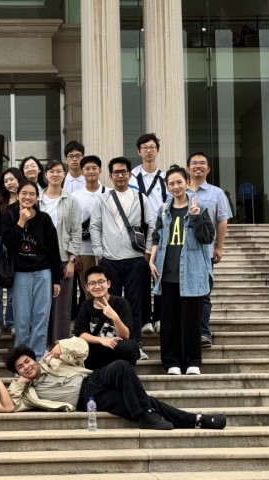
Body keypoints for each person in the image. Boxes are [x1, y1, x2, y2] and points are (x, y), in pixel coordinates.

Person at [5, 338, 227, 431]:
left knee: (121, 366)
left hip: (93, 379)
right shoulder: (28, 393)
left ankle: (146, 415)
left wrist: (62, 345)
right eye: (20, 367)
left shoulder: (51, 361)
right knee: (145, 402)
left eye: (27, 361)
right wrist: (18, 383)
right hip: (88, 401)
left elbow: (82, 347)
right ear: (18, 373)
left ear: (33, 359)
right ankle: (197, 420)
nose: (26, 367)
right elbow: (10, 405)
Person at [149, 167, 215, 375]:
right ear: (167, 187)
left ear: (187, 182)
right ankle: (171, 363)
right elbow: (157, 237)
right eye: (171, 183)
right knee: (169, 322)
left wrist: (196, 217)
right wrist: (151, 261)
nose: (176, 187)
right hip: (167, 274)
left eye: (179, 182)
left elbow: (207, 238)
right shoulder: (163, 210)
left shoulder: (200, 208)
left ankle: (192, 361)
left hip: (192, 274)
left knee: (190, 322)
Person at [89, 157, 155, 360]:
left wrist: (147, 253)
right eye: (116, 172)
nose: (120, 175)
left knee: (135, 304)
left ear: (130, 174)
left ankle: (136, 345)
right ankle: (115, 346)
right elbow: (95, 226)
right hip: (110, 259)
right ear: (110, 175)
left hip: (135, 259)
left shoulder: (140, 198)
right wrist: (99, 252)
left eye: (124, 171)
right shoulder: (102, 199)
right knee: (111, 304)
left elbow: (152, 225)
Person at [1, 181, 63, 358]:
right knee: (22, 318)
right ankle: (21, 355)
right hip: (20, 273)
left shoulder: (44, 219)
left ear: (37, 197)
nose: (27, 197)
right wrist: (21, 221)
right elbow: (9, 243)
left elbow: (53, 250)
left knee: (41, 316)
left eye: (32, 194)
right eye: (24, 193)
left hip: (43, 273)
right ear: (18, 195)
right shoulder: (10, 215)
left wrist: (56, 279)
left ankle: (37, 355)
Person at [186, 152, 233, 348]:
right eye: (194, 163)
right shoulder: (178, 191)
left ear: (208, 169)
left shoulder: (217, 193)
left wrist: (219, 247)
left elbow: (222, 221)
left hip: (205, 252)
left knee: (204, 294)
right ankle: (186, 332)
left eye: (202, 163)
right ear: (188, 168)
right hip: (182, 253)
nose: (198, 166)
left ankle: (203, 332)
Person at [40, 160, 81, 344]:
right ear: (46, 175)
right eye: (51, 171)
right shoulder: (37, 200)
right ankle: (42, 344)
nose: (55, 174)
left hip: (64, 258)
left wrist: (72, 260)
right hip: (40, 260)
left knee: (62, 306)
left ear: (64, 174)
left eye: (59, 171)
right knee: (42, 304)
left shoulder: (71, 200)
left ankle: (60, 345)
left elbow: (76, 231)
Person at [131, 134, 168, 336]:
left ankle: (160, 317)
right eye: (145, 147)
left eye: (152, 147)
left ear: (158, 150)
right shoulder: (132, 177)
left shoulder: (165, 177)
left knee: (160, 274)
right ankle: (145, 319)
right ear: (139, 151)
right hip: (140, 233)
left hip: (162, 231)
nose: (148, 151)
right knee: (141, 276)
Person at [74, 265, 138, 369]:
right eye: (92, 283)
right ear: (87, 287)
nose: (97, 286)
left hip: (117, 348)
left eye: (101, 282)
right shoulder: (86, 305)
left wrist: (115, 317)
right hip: (97, 351)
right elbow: (80, 333)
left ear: (108, 284)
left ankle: (125, 372)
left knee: (128, 346)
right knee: (82, 348)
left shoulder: (121, 303)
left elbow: (126, 335)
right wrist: (101, 340)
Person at [0, 167, 27, 337]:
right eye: (6, 181)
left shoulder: (26, 199)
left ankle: (12, 322)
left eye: (12, 179)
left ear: (19, 179)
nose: (9, 183)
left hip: (17, 245)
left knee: (14, 287)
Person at [72, 156, 108, 300]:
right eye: (87, 169)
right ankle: (93, 314)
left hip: (108, 250)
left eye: (94, 168)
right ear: (82, 172)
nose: (91, 171)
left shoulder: (109, 193)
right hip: (85, 250)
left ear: (100, 171)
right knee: (89, 289)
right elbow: (72, 226)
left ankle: (108, 313)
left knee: (107, 288)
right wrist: (75, 253)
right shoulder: (75, 197)